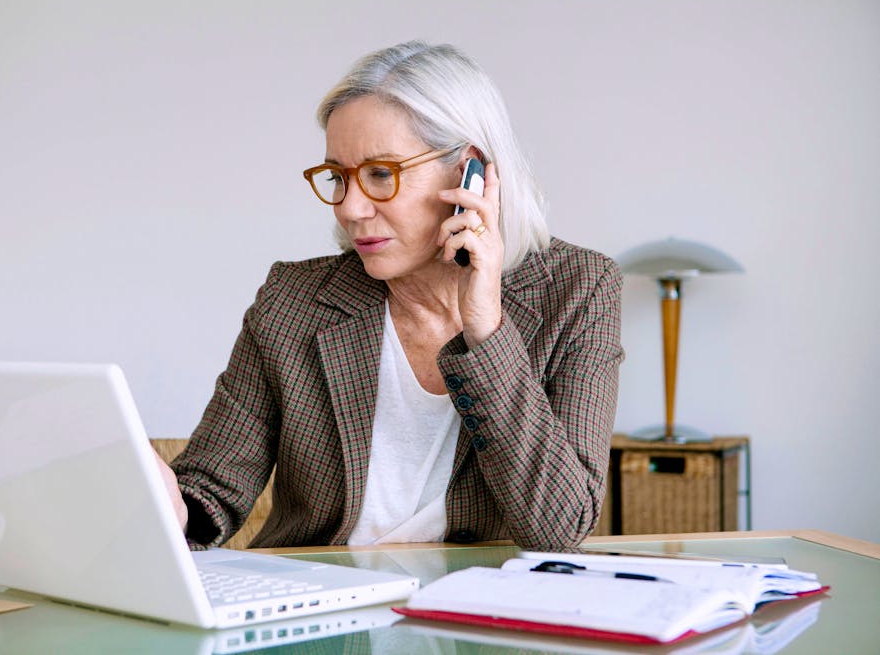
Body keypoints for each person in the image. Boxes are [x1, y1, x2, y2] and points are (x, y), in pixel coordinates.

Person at [153, 40, 623, 551]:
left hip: (478, 613)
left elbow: (561, 528)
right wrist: (174, 510)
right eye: (338, 178)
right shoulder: (292, 300)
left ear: (470, 173)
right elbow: (210, 492)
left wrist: (485, 327)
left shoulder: (579, 289)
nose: (350, 208)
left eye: (381, 174)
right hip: (318, 606)